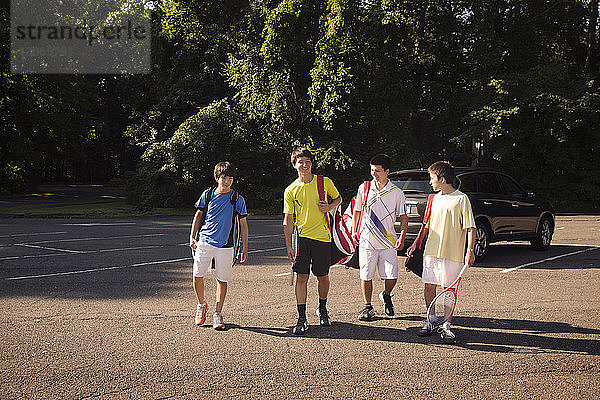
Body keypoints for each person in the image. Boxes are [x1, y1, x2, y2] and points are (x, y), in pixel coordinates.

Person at [406, 161, 476, 343]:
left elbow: (470, 228)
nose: (430, 182)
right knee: (429, 286)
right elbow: (426, 226)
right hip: (431, 252)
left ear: (442, 179)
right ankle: (430, 321)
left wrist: (470, 251)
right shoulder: (433, 199)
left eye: (432, 178)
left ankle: (446, 326)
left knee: (448, 290)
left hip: (453, 253)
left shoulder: (462, 199)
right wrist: (415, 244)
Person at [283, 147, 341, 335]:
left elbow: (339, 198)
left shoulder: (324, 182)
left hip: (323, 237)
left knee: (322, 276)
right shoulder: (291, 189)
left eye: (308, 161)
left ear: (311, 163)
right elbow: (288, 218)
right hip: (301, 239)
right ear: (294, 165)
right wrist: (288, 245)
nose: (305, 165)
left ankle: (322, 309)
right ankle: (301, 317)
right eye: (301, 162)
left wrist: (330, 206)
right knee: (302, 277)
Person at [189, 161, 248, 330]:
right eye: (224, 178)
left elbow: (243, 225)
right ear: (217, 177)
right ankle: (201, 306)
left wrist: (244, 247)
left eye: (230, 178)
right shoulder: (208, 195)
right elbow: (198, 215)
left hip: (226, 245)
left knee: (222, 280)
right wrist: (193, 236)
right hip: (205, 241)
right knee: (197, 275)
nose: (227, 181)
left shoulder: (237, 198)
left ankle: (218, 313)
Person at [351, 154, 408, 321]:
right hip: (367, 240)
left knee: (392, 276)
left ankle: (386, 294)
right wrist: (355, 230)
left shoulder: (397, 192)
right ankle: (368, 307)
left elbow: (404, 217)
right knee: (366, 275)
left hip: (388, 241)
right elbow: (357, 210)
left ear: (387, 171)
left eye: (377, 171)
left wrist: (402, 237)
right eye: (371, 170)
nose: (373, 174)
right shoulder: (365, 187)